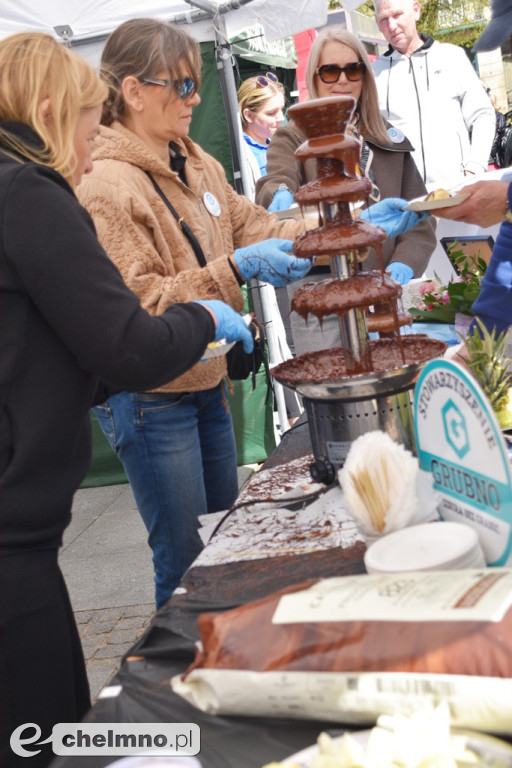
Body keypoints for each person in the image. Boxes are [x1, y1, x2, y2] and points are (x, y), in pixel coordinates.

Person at [0, 31, 255, 768]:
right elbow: (123, 342)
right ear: (50, 111)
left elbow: (45, 352)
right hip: (14, 538)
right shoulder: (30, 192)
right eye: (88, 122)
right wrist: (204, 317)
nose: (92, 144)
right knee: (46, 735)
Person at [77, 18, 311, 611]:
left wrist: (331, 232)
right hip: (152, 398)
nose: (196, 98)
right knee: (183, 562)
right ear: (133, 92)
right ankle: (179, 682)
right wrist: (232, 271)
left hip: (207, 384)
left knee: (221, 546)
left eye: (196, 83)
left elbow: (257, 227)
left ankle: (223, 657)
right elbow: (138, 306)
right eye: (182, 86)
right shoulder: (104, 184)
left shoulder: (196, 160)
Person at [255, 25, 436, 354]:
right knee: (335, 397)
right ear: (315, 78)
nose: (342, 80)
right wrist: (280, 196)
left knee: (392, 393)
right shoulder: (293, 137)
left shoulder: (388, 139)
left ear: (365, 76)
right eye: (330, 71)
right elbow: (276, 178)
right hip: (322, 296)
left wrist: (402, 268)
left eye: (353, 70)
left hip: (385, 296)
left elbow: (420, 216)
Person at [372, 0, 496, 191]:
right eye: (383, 19)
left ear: (416, 10)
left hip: (459, 190)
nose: (391, 26)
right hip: (406, 201)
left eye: (397, 15)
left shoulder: (451, 57)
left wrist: (474, 169)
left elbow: (483, 115)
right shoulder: (373, 75)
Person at [237, 72, 285, 201]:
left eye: (282, 109)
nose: (281, 118)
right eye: (271, 113)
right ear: (248, 115)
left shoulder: (281, 144)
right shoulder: (240, 154)